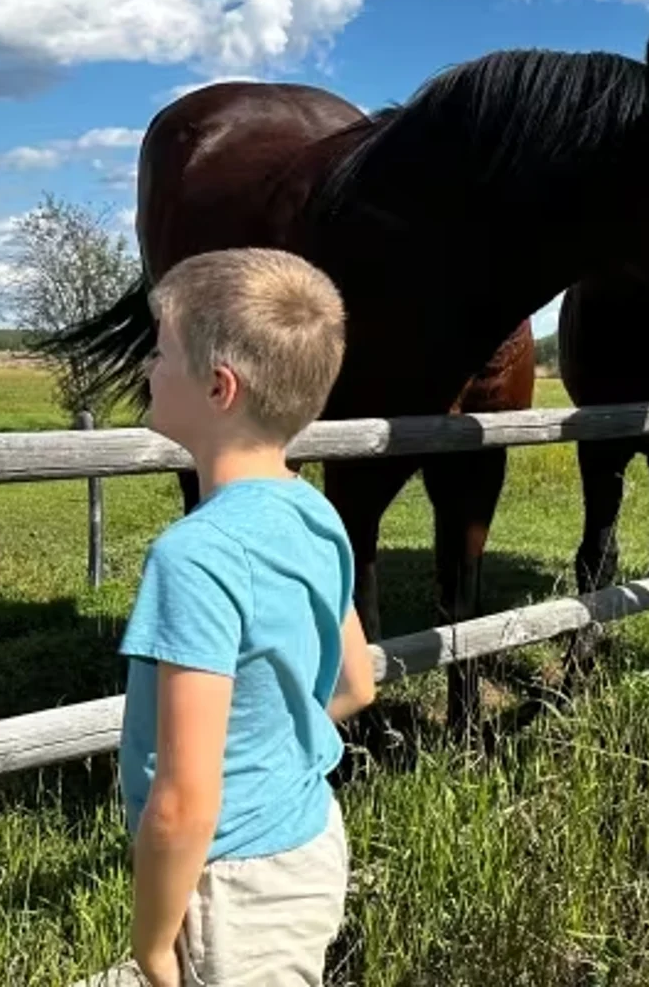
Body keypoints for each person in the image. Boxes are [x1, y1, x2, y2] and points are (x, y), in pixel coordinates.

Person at [97, 247, 377, 987]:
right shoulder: (314, 511)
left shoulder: (195, 555)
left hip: (232, 885)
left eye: (159, 352)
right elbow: (355, 682)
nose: (149, 368)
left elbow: (184, 798)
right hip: (310, 838)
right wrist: (276, 742)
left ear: (219, 387)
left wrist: (154, 942)